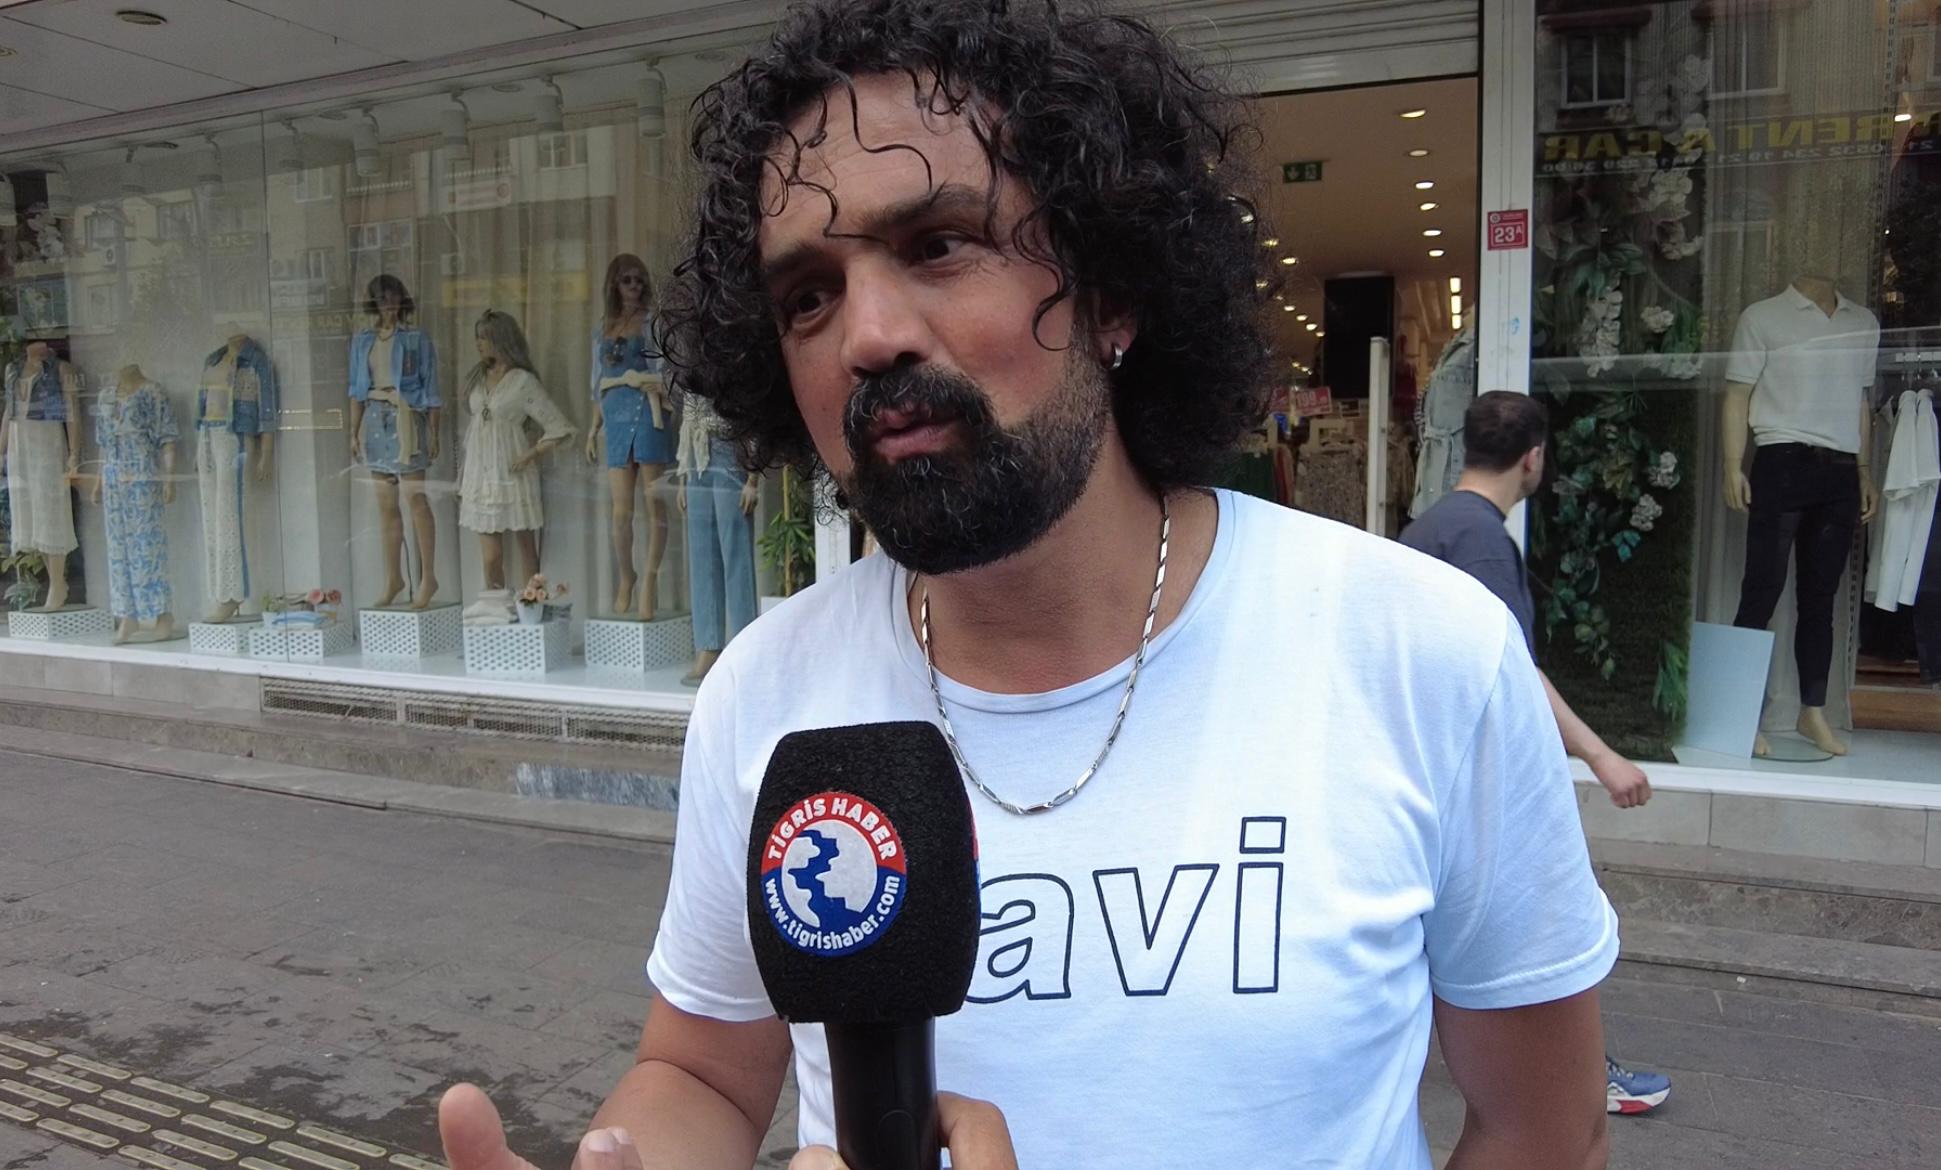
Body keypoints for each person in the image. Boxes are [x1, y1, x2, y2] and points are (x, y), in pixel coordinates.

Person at [437, 3, 1619, 1169]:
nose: (868, 336)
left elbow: (1544, 1131)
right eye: (809, 297)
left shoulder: (1422, 650)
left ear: (1112, 293)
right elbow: (701, 1071)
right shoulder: (765, 694)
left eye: (939, 245)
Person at [1400, 389, 1673, 1116]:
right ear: (1533, 458)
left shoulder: (1433, 528)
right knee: (1534, 943)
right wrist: (1601, 755)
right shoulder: (1482, 543)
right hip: (1472, 781)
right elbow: (1513, 675)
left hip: (1430, 772)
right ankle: (1579, 1081)